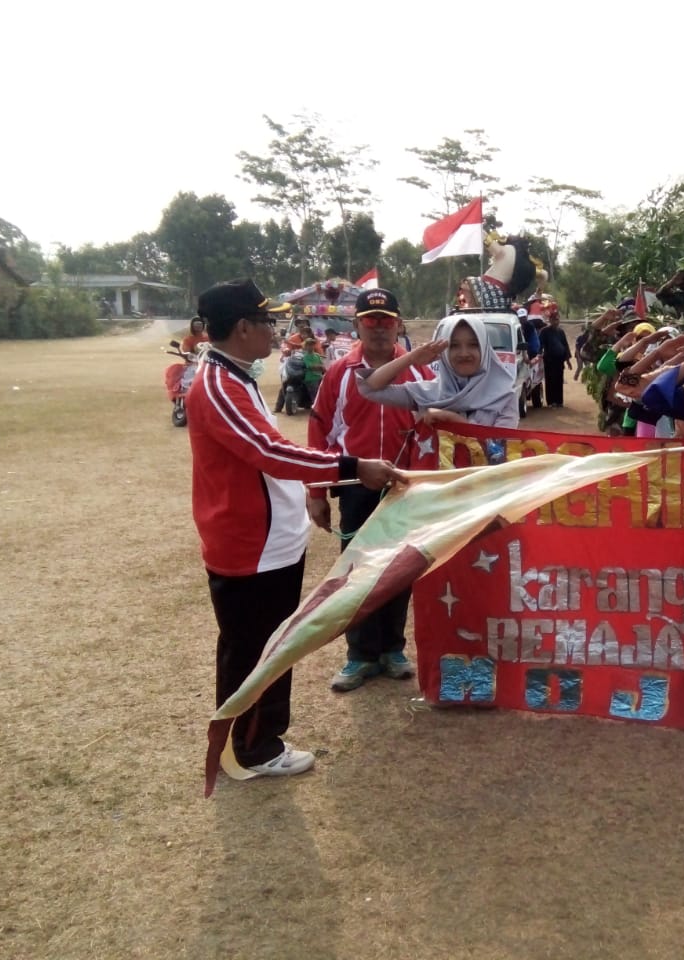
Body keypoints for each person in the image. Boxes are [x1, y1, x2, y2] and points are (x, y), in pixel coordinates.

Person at [187, 279, 400, 780]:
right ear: (243, 328)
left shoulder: (233, 377)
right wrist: (351, 467)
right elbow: (271, 454)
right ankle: (254, 748)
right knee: (255, 648)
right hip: (250, 546)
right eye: (267, 322)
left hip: (270, 543)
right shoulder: (217, 385)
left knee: (265, 643)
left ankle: (250, 740)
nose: (275, 330)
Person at [308, 288, 432, 692]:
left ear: (398, 324)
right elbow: (319, 430)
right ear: (357, 324)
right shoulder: (339, 373)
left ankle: (392, 650)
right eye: (370, 320)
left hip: (405, 487)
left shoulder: (419, 373)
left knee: (399, 569)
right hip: (356, 486)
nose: (378, 328)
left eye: (386, 320)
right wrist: (316, 491)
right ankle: (359, 655)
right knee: (357, 571)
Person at [358, 314, 520, 428]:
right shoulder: (427, 393)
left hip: (483, 478)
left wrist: (450, 419)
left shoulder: (504, 396)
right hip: (434, 478)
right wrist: (411, 358)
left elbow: (501, 448)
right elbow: (369, 388)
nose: (464, 353)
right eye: (454, 346)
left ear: (485, 349)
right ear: (443, 351)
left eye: (473, 345)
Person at [539, 310, 572, 408]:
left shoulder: (561, 332)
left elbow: (565, 345)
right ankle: (551, 402)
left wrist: (568, 361)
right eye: (554, 320)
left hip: (559, 360)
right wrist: (539, 355)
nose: (556, 322)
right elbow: (540, 345)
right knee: (550, 381)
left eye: (557, 319)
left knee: (559, 380)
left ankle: (559, 401)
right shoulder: (544, 331)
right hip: (549, 360)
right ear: (550, 320)